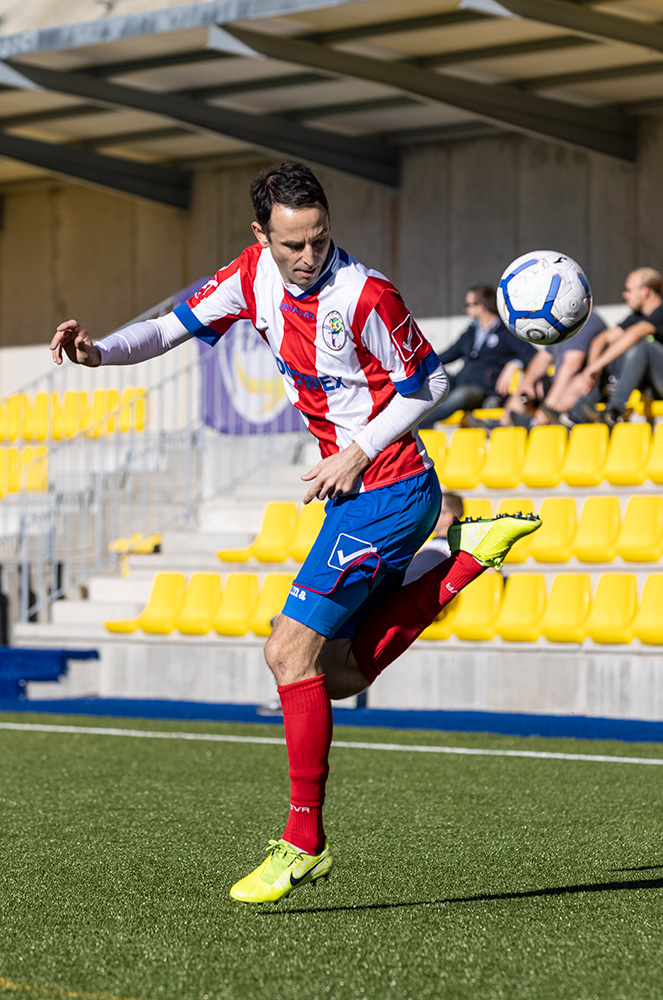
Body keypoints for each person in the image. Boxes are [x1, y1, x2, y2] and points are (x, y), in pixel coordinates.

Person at [50, 161, 540, 905]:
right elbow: (169, 327)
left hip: (391, 486)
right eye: (292, 245)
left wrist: (356, 450)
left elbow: (430, 382)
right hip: (355, 494)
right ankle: (463, 560)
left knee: (287, 650)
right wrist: (97, 353)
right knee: (332, 674)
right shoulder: (251, 277)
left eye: (317, 239)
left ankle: (302, 843)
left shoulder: (365, 292)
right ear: (261, 235)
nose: (308, 256)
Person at [553, 268, 663, 426]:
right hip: (650, 386)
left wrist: (596, 366)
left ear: (645, 292)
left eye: (629, 290)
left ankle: (614, 410)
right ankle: (577, 415)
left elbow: (634, 334)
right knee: (609, 356)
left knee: (642, 347)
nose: (625, 294)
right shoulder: (636, 317)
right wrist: (592, 370)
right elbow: (601, 339)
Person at [420, 284, 536, 428]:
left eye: (468, 305)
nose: (466, 309)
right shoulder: (471, 332)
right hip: (460, 381)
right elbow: (448, 354)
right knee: (433, 378)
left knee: (461, 395)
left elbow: (533, 355)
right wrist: (422, 365)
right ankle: (412, 416)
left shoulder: (506, 331)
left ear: (481, 307)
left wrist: (514, 363)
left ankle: (421, 423)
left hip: (482, 390)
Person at [492, 309, 607, 428]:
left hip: (588, 384)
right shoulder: (562, 325)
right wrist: (527, 383)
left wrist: (549, 404)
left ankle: (535, 424)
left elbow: (572, 365)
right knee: (526, 390)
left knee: (575, 385)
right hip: (562, 382)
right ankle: (502, 424)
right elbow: (543, 358)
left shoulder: (584, 322)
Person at [403, 492, 463, 583]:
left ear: (448, 517)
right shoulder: (429, 543)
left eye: (436, 509)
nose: (431, 513)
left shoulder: (455, 547)